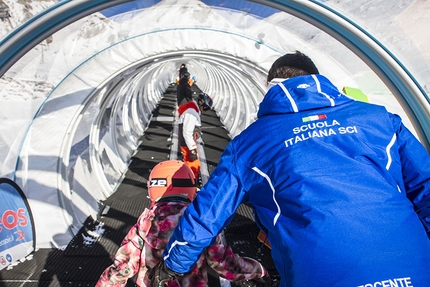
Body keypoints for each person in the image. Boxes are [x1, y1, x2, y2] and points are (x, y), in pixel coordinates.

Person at [151, 51, 430, 287]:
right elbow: (425, 187)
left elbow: (207, 215)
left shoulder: (251, 143)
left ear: (270, 86)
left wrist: (174, 263)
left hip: (322, 274)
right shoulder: (380, 119)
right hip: (417, 268)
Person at [95, 160, 270, 287]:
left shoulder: (144, 224)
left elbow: (121, 269)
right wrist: (259, 270)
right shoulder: (200, 223)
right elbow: (227, 266)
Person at [178, 93, 213, 182]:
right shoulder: (191, 112)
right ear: (201, 103)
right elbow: (187, 132)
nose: (204, 111)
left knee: (193, 165)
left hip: (188, 143)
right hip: (187, 144)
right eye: (205, 108)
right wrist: (192, 149)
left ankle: (191, 182)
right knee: (192, 165)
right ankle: (190, 184)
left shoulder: (192, 110)